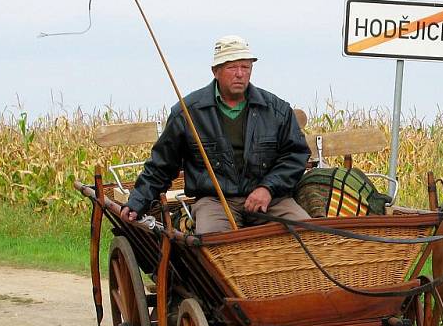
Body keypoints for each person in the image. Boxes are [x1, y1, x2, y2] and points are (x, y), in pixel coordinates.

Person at [120, 34, 311, 233]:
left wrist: (268, 188)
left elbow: (295, 155)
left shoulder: (276, 110)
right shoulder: (187, 113)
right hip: (215, 202)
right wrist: (137, 202)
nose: (239, 74)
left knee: (310, 233)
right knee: (214, 245)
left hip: (271, 200)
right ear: (216, 71)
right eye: (232, 67)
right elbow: (162, 166)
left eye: (245, 67)